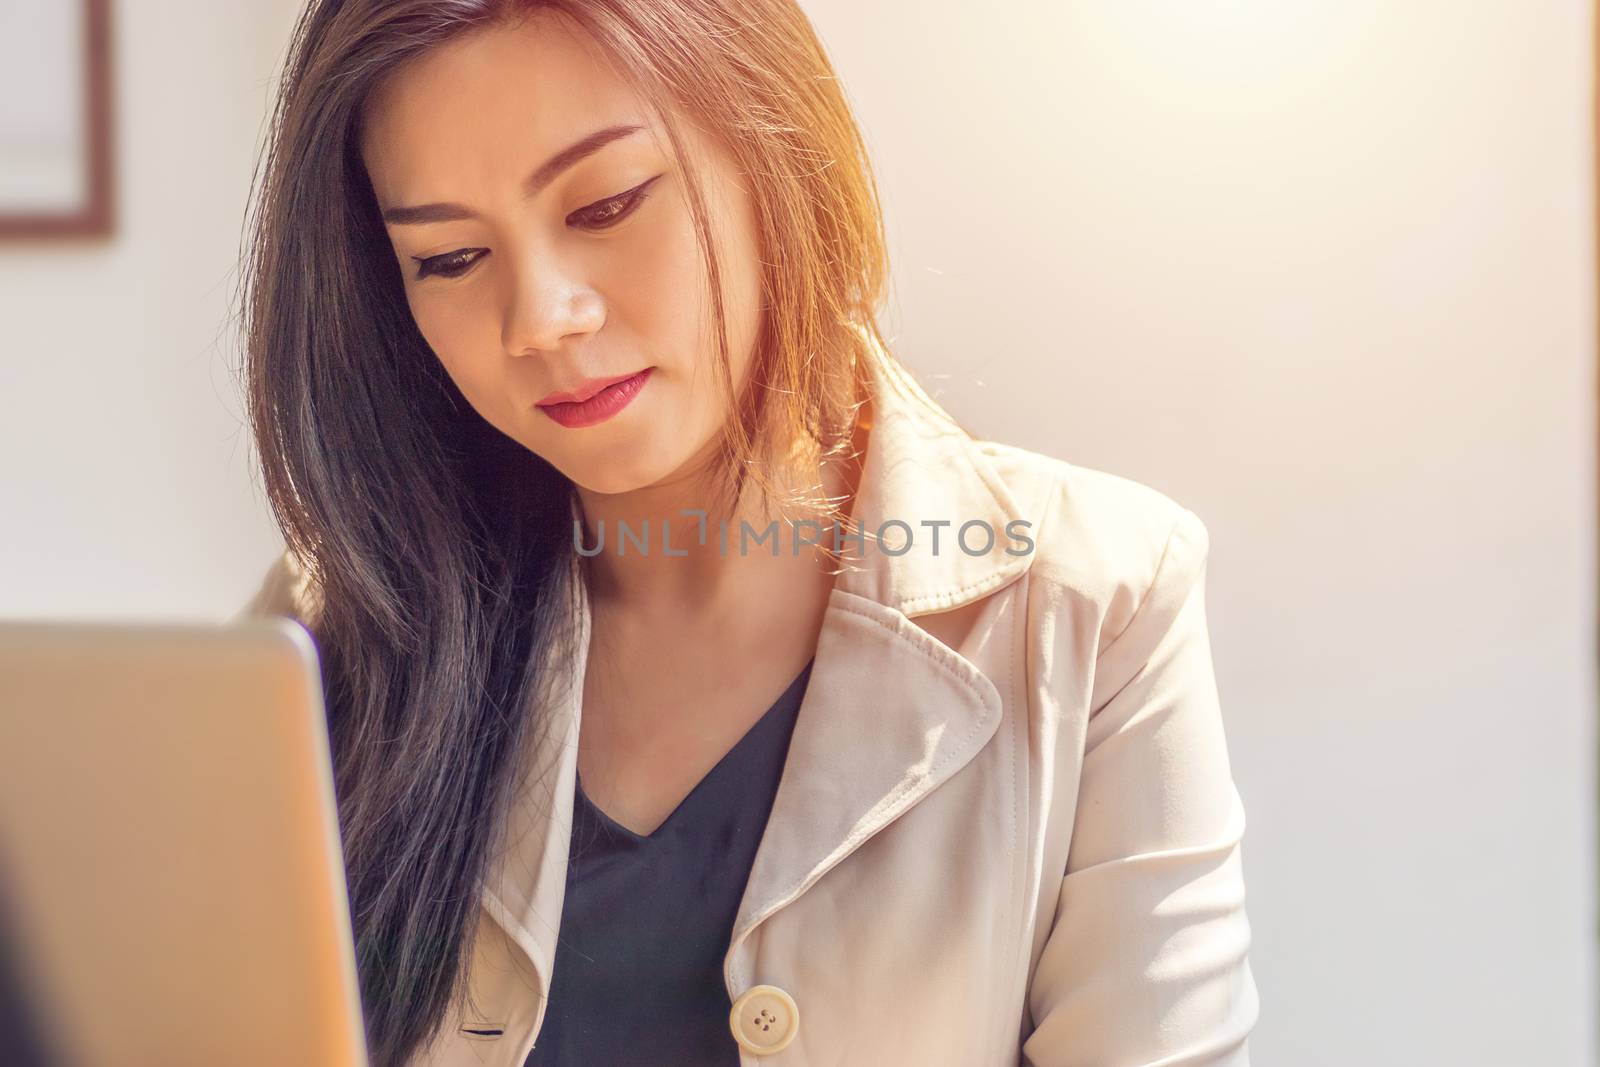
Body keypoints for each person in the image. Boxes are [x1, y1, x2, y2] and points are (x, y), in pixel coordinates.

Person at [235, 2, 1260, 1065]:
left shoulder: (1098, 603)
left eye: (607, 202)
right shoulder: (326, 638)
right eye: (447, 258)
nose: (540, 316)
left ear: (777, 146)